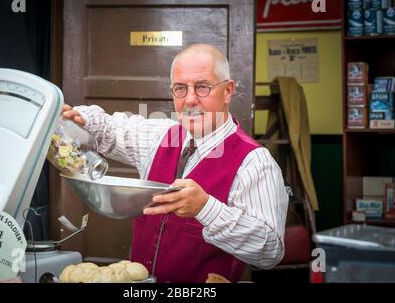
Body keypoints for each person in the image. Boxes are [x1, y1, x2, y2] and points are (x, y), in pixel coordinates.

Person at [62, 43, 288, 283]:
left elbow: (270, 252)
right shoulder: (160, 135)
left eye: (202, 87)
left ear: (228, 91)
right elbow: (108, 129)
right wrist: (81, 119)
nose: (190, 100)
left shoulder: (255, 162)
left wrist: (206, 209)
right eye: (180, 88)